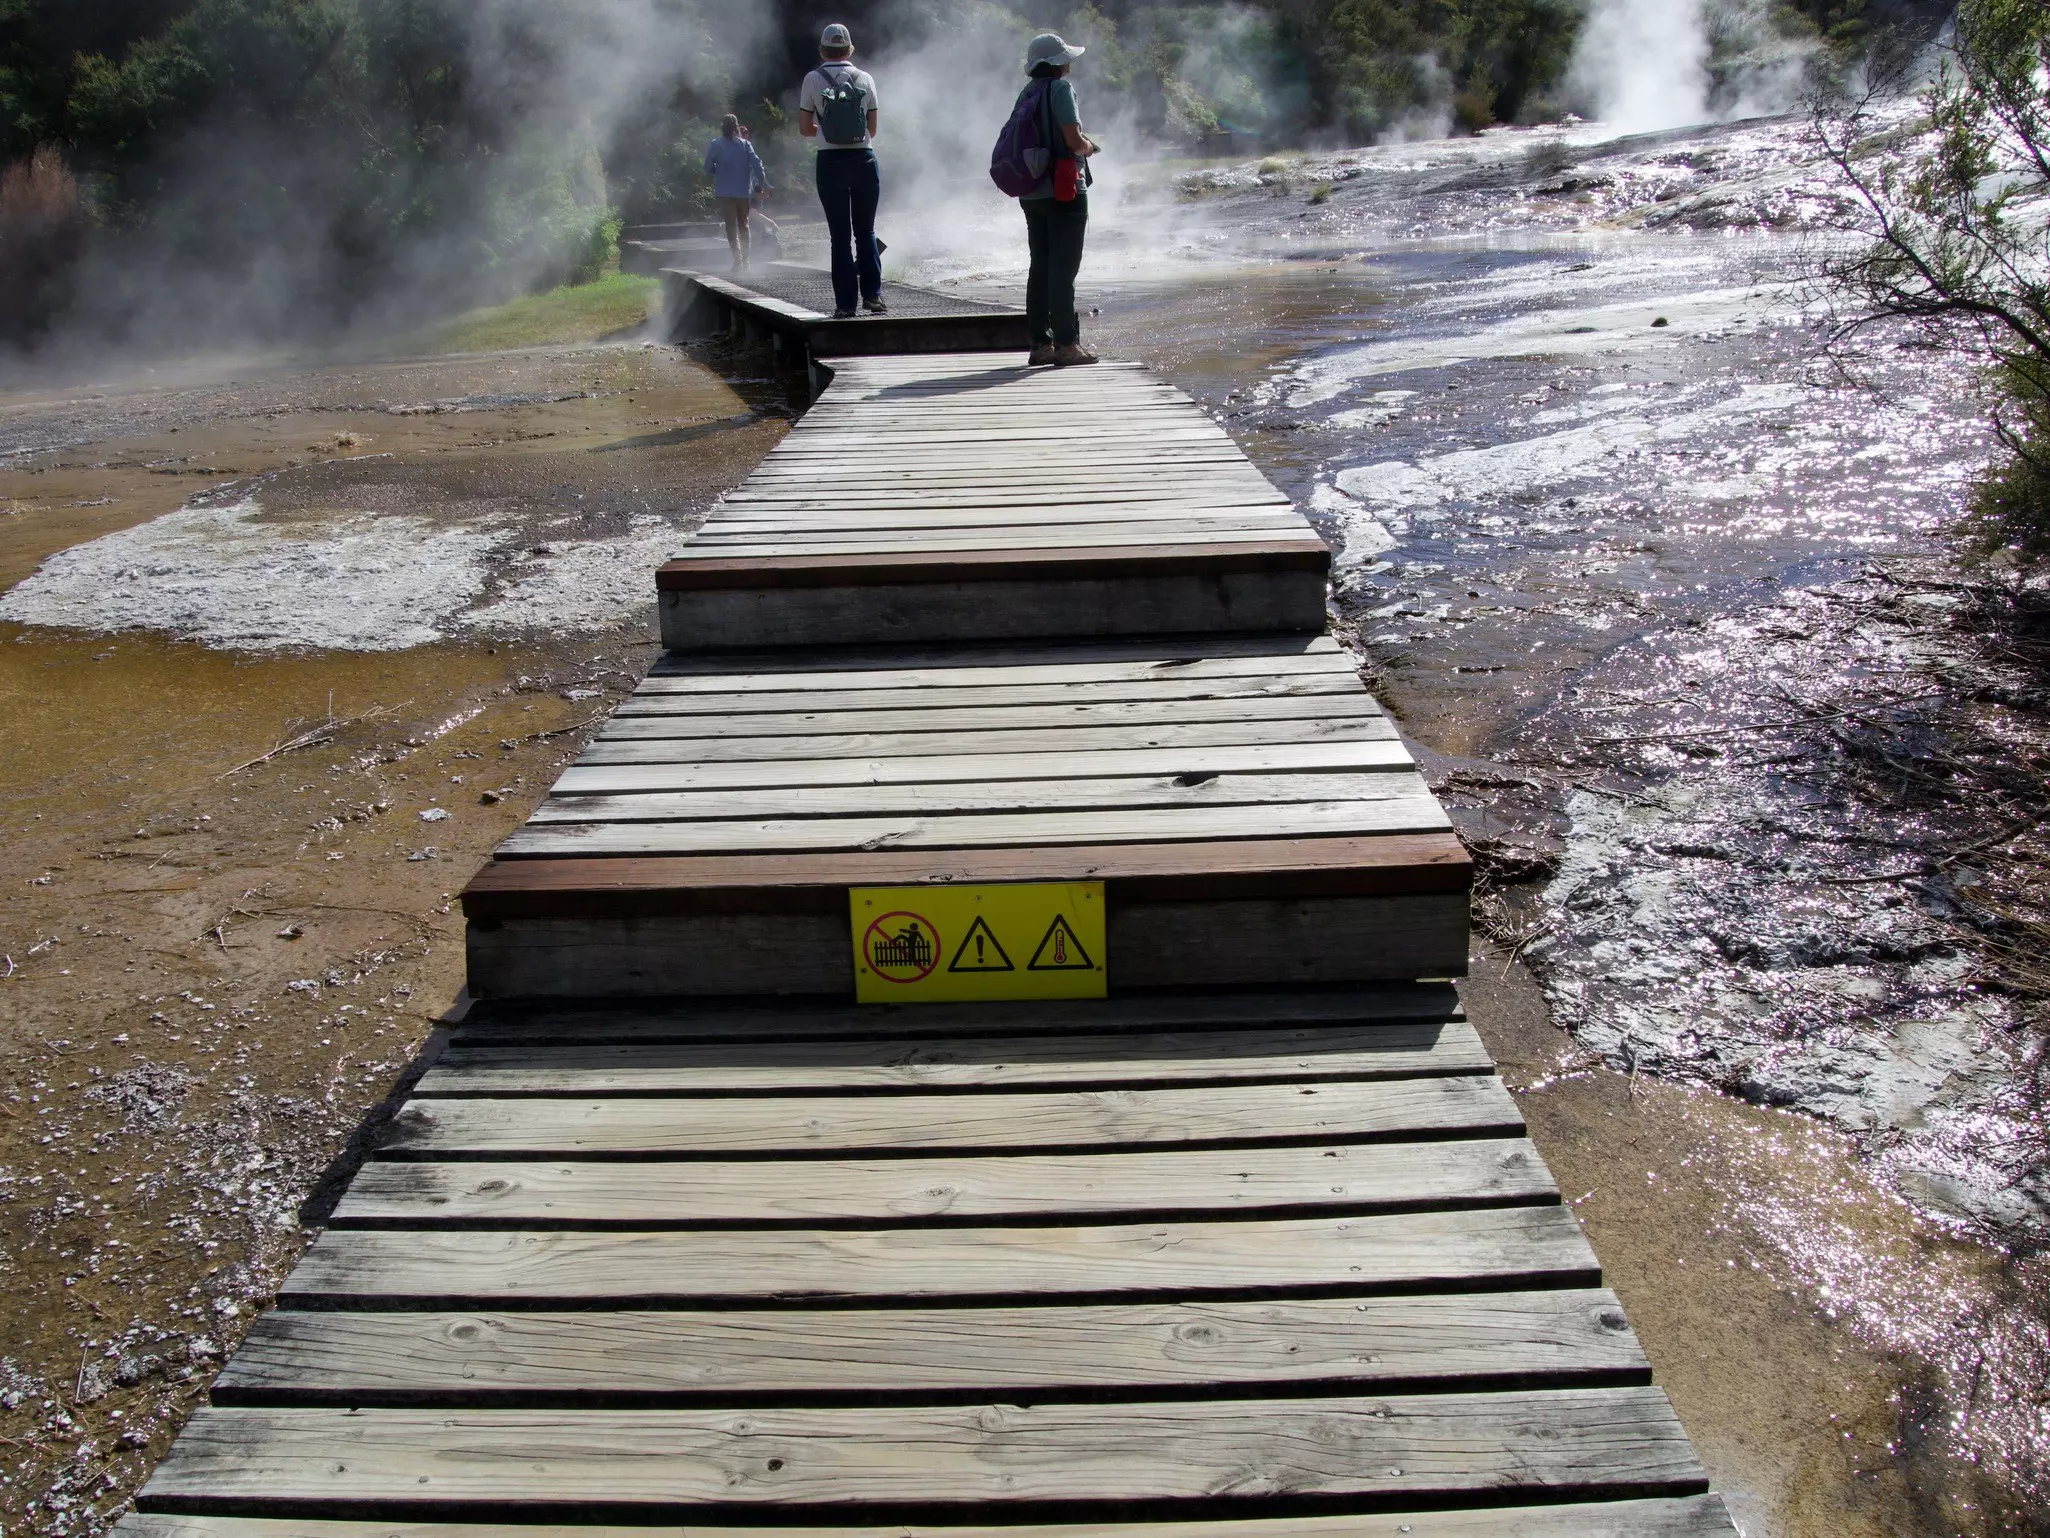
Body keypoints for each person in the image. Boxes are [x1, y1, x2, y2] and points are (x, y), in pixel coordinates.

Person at [1016, 33, 1097, 366]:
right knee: (1064, 270)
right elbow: (1073, 140)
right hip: (1064, 189)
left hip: (1031, 190)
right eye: (1066, 58)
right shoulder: (1061, 90)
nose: (1070, 62)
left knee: (1041, 266)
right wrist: (1089, 146)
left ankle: (1040, 344)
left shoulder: (1026, 93)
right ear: (1055, 63)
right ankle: (1066, 345)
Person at [799, 22, 886, 319]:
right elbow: (872, 129)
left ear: (823, 50)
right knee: (866, 231)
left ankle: (845, 305)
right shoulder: (866, 78)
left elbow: (804, 129)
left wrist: (827, 130)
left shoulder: (812, 79)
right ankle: (873, 296)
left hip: (830, 162)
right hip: (864, 160)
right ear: (849, 49)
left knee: (839, 236)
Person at [704, 114, 770, 270]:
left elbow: (707, 167)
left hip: (725, 192)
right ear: (736, 127)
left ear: (722, 127)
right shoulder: (745, 145)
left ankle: (737, 261)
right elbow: (758, 165)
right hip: (743, 192)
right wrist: (761, 184)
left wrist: (716, 170)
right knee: (744, 225)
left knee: (731, 227)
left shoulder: (715, 144)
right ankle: (746, 262)